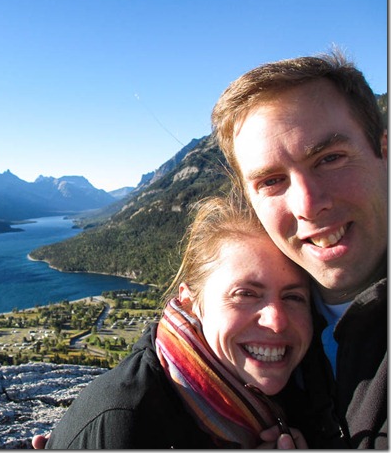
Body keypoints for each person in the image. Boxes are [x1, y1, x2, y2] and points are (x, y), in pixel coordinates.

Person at [211, 50, 387, 448]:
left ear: (385, 153)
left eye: (330, 158)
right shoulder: (275, 311)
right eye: (272, 181)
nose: (308, 204)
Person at [41, 195, 312, 449]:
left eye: (294, 297)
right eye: (245, 294)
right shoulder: (130, 421)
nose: (276, 321)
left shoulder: (305, 389)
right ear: (190, 301)